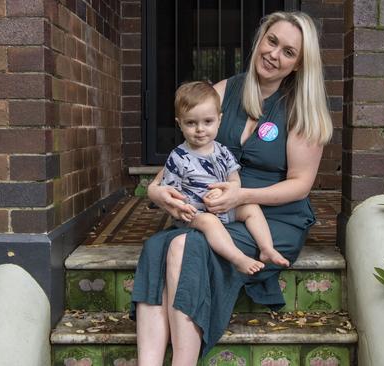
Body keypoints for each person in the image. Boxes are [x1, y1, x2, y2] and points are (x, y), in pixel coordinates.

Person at [131, 11, 333, 365]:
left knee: (185, 246)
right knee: (156, 248)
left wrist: (242, 195)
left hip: (272, 217)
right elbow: (174, 164)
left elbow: (300, 185)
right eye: (272, 42)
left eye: (289, 52)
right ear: (261, 39)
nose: (274, 54)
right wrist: (156, 193)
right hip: (216, 211)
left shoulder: (301, 109)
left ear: (300, 64)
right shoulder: (225, 91)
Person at [162, 81, 289, 275]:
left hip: (224, 206)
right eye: (191, 123)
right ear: (179, 124)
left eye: (207, 121)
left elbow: (234, 179)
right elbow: (170, 193)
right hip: (194, 215)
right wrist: (182, 208)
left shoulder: (222, 151)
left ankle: (266, 248)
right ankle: (238, 258)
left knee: (251, 208)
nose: (200, 129)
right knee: (209, 222)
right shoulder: (177, 157)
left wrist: (229, 192)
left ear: (219, 120)